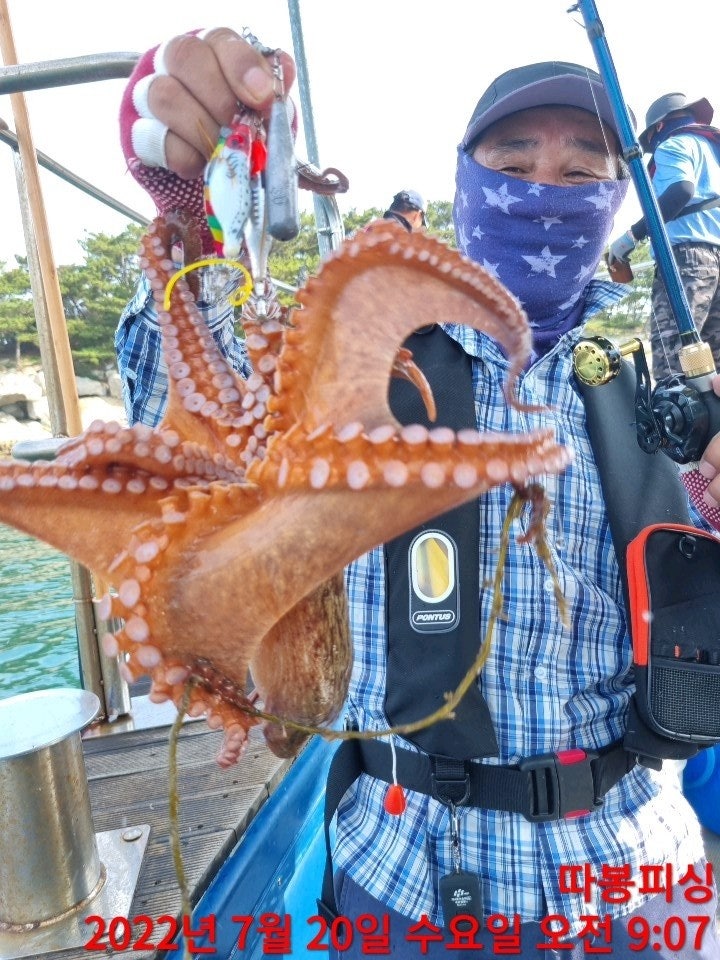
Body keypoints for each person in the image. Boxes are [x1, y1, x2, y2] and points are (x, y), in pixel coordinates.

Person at [116, 32, 720, 958]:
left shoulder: (662, 396)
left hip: (639, 875)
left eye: (581, 171)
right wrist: (187, 216)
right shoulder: (354, 367)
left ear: (614, 200)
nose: (546, 191)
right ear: (464, 185)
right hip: (411, 874)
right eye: (513, 165)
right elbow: (189, 418)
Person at [608, 92, 720, 381]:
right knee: (714, 364)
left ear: (658, 127)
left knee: (673, 365)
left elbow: (681, 190)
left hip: (687, 258)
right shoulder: (713, 151)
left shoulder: (673, 144)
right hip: (715, 256)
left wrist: (632, 235)